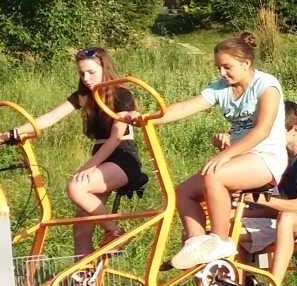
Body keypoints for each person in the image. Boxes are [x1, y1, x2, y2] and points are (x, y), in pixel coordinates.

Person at [114, 32, 287, 272]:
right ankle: (198, 246)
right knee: (182, 193)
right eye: (218, 68)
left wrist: (224, 155)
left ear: (246, 64)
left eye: (227, 67)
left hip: (266, 159)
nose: (222, 74)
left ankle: (219, 241)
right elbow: (186, 106)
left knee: (214, 174)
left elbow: (262, 131)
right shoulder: (221, 88)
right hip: (238, 159)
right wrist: (146, 118)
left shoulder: (266, 86)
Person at [161, 102, 297, 286]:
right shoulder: (273, 157)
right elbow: (266, 205)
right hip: (277, 219)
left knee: (287, 218)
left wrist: (256, 199)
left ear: (294, 130)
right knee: (226, 227)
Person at [0, 47, 145, 257]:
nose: (86, 78)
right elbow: (49, 118)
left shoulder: (121, 95)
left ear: (104, 69)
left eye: (91, 72)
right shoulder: (84, 96)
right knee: (81, 227)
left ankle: (115, 232)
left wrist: (88, 167)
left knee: (76, 186)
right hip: (101, 156)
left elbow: (115, 139)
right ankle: (82, 279)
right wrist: (13, 133)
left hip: (122, 157)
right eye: (82, 74)